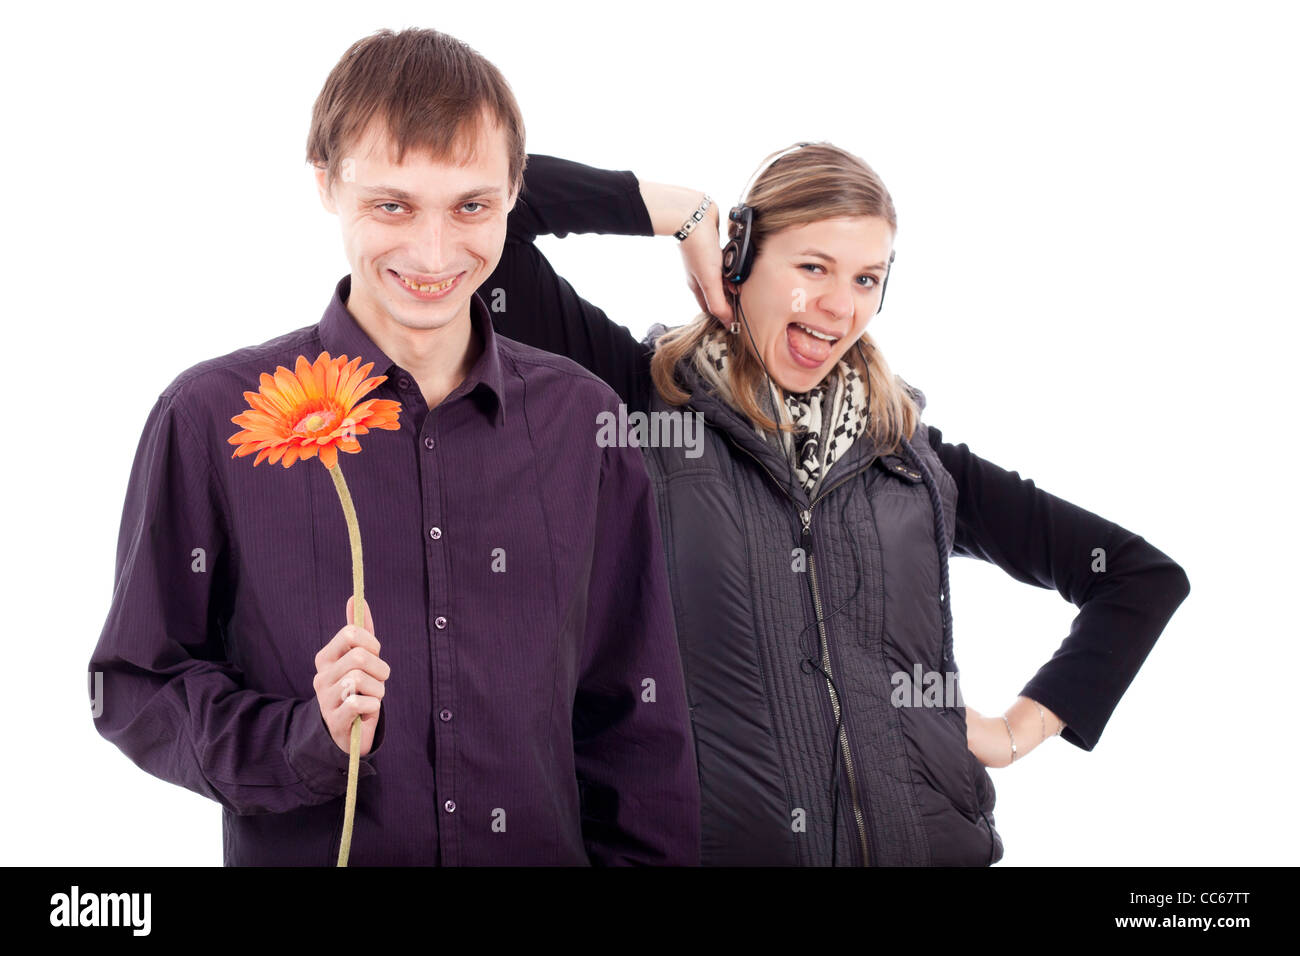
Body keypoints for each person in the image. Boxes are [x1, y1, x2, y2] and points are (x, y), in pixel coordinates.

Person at [87, 28, 700, 866]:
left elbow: (637, 725)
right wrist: (303, 739)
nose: (435, 254)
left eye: (472, 206)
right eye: (393, 205)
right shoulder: (210, 418)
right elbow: (136, 686)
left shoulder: (583, 421)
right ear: (325, 185)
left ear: (516, 193)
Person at [484, 146, 1192, 865]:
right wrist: (685, 213)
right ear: (743, 257)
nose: (838, 305)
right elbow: (492, 203)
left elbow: (1137, 577)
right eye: (813, 267)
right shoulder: (636, 403)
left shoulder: (908, 457)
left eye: (866, 279)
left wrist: (1017, 730)